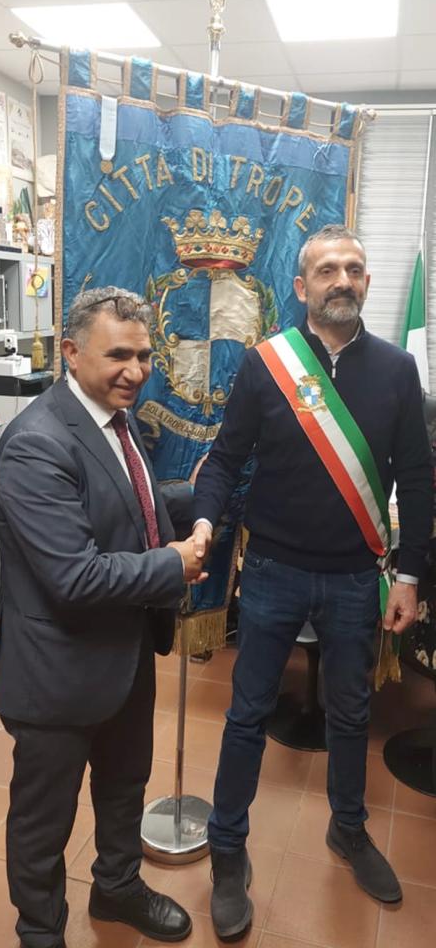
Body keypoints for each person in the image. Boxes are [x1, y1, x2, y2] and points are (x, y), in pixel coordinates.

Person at [192, 224, 433, 940]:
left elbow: (417, 478)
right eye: (327, 269)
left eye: (354, 268)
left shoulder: (397, 370)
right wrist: (203, 526)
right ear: (301, 287)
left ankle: (347, 829)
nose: (343, 279)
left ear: (367, 283)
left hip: (357, 578)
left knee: (351, 716)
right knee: (246, 715)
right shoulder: (266, 364)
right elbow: (226, 458)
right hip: (271, 572)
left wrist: (410, 575)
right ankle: (227, 848)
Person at [0, 286, 208, 948]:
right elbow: (75, 576)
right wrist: (173, 564)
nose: (135, 372)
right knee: (43, 820)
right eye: (118, 356)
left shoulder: (116, 418)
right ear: (71, 352)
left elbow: (124, 506)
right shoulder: (35, 444)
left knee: (123, 786)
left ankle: (116, 887)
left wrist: (190, 495)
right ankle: (40, 932)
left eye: (144, 356)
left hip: (124, 653)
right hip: (56, 674)